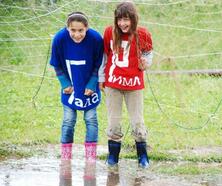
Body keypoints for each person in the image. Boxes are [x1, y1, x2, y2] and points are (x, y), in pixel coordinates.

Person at [98, 1, 153, 168]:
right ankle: (113, 156)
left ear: (134, 19)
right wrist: (101, 78)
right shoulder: (109, 32)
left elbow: (148, 54)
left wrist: (146, 63)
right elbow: (105, 57)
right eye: (119, 19)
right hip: (113, 83)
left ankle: (142, 155)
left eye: (126, 19)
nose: (122, 23)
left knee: (137, 120)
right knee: (113, 121)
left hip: (134, 84)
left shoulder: (143, 34)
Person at [50, 11, 104, 162]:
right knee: (68, 120)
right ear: (67, 28)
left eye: (81, 30)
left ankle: (90, 157)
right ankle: (66, 156)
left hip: (89, 87)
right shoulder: (59, 39)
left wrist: (93, 83)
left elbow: (99, 63)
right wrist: (64, 83)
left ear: (87, 27)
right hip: (70, 88)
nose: (77, 34)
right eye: (73, 30)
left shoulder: (96, 39)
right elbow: (57, 64)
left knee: (91, 119)